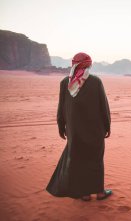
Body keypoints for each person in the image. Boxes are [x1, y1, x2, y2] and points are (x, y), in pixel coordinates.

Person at [46, 52, 112, 201]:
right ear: (88, 64)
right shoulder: (95, 81)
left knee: (80, 161)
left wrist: (61, 127)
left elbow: (61, 108)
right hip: (95, 131)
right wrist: (107, 126)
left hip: (74, 132)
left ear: (73, 64)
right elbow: (104, 107)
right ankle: (100, 192)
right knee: (96, 160)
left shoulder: (66, 83)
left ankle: (85, 194)